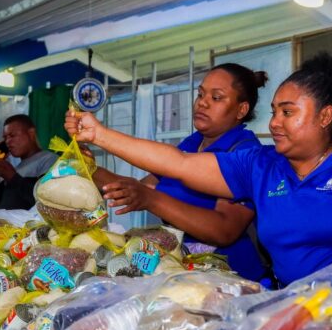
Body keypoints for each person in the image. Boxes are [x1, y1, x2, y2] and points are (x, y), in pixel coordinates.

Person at [66, 52, 332, 287]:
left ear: (325, 116)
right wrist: (98, 135)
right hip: (288, 302)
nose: (274, 123)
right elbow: (177, 164)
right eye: (273, 112)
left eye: (287, 112)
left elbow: (222, 228)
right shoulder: (261, 165)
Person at [86, 63, 269, 281]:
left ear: (241, 110)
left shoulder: (245, 152)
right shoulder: (192, 144)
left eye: (216, 98)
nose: (202, 102)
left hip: (232, 279)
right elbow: (139, 189)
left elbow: (224, 229)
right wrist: (89, 168)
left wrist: (152, 200)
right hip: (186, 271)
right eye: (200, 94)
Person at [0, 114, 58, 210]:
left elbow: (47, 200)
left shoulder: (49, 159)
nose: (7, 141)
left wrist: (13, 177)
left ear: (31, 133)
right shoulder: (16, 168)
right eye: (5, 138)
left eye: (12, 135)